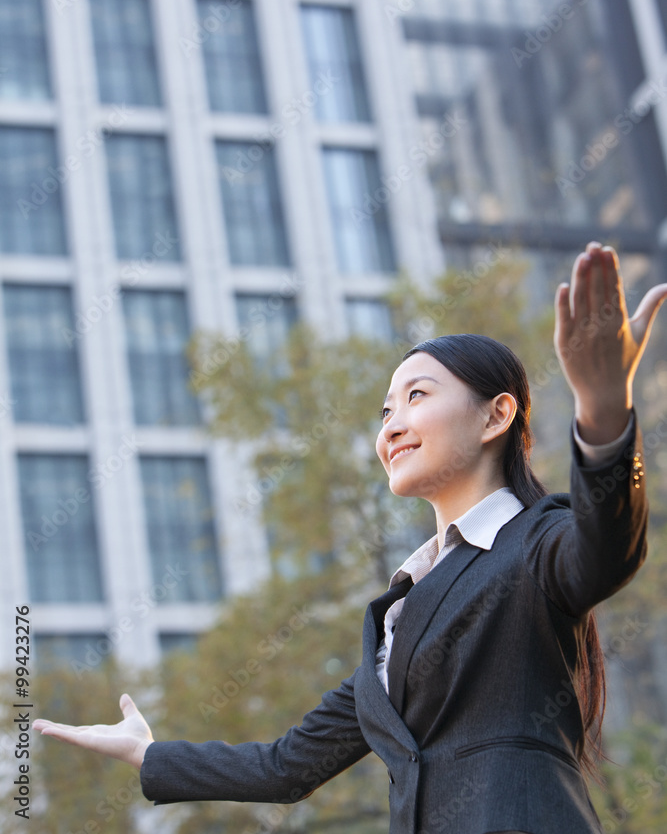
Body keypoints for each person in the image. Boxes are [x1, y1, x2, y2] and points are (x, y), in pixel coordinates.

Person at [34, 242, 667, 834]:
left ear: (497, 415)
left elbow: (608, 549)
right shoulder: (398, 616)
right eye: (385, 411)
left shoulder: (536, 541)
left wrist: (603, 406)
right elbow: (286, 768)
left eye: (417, 396)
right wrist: (150, 754)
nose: (392, 425)